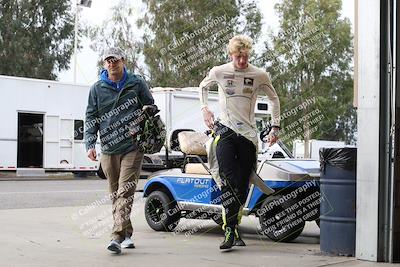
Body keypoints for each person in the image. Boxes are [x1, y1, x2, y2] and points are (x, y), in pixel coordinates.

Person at [199, 35, 281, 250]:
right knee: (227, 179)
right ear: (231, 55)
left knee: (242, 183)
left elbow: (274, 99)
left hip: (248, 136)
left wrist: (275, 126)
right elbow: (203, 87)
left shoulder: (259, 74)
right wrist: (205, 108)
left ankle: (235, 227)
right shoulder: (219, 71)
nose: (242, 62)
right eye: (238, 57)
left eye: (245, 57)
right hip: (225, 132)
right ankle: (229, 230)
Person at [84, 47, 154, 254]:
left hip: (132, 146)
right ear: (104, 64)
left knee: (126, 191)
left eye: (115, 60)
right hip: (108, 147)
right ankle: (127, 233)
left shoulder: (136, 84)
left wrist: (141, 119)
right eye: (108, 61)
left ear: (123, 61)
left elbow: (150, 106)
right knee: (115, 194)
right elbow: (91, 116)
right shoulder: (97, 89)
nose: (112, 64)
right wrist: (90, 143)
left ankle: (116, 236)